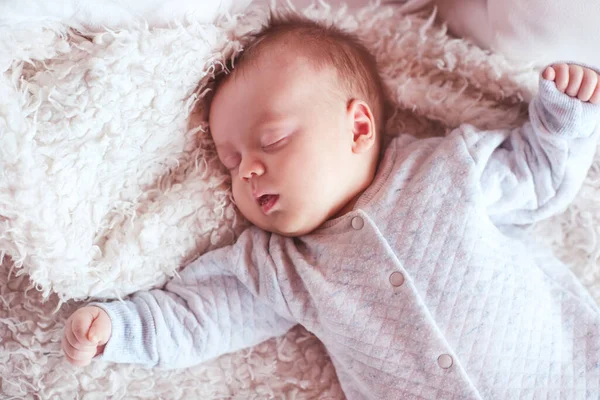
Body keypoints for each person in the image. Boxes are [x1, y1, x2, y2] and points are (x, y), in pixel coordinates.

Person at [61, 14, 600, 399]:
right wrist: (121, 329)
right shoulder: (284, 266)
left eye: (270, 141)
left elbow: (538, 176)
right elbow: (201, 313)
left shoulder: (448, 173)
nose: (246, 170)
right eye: (230, 162)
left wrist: (564, 117)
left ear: (358, 127)